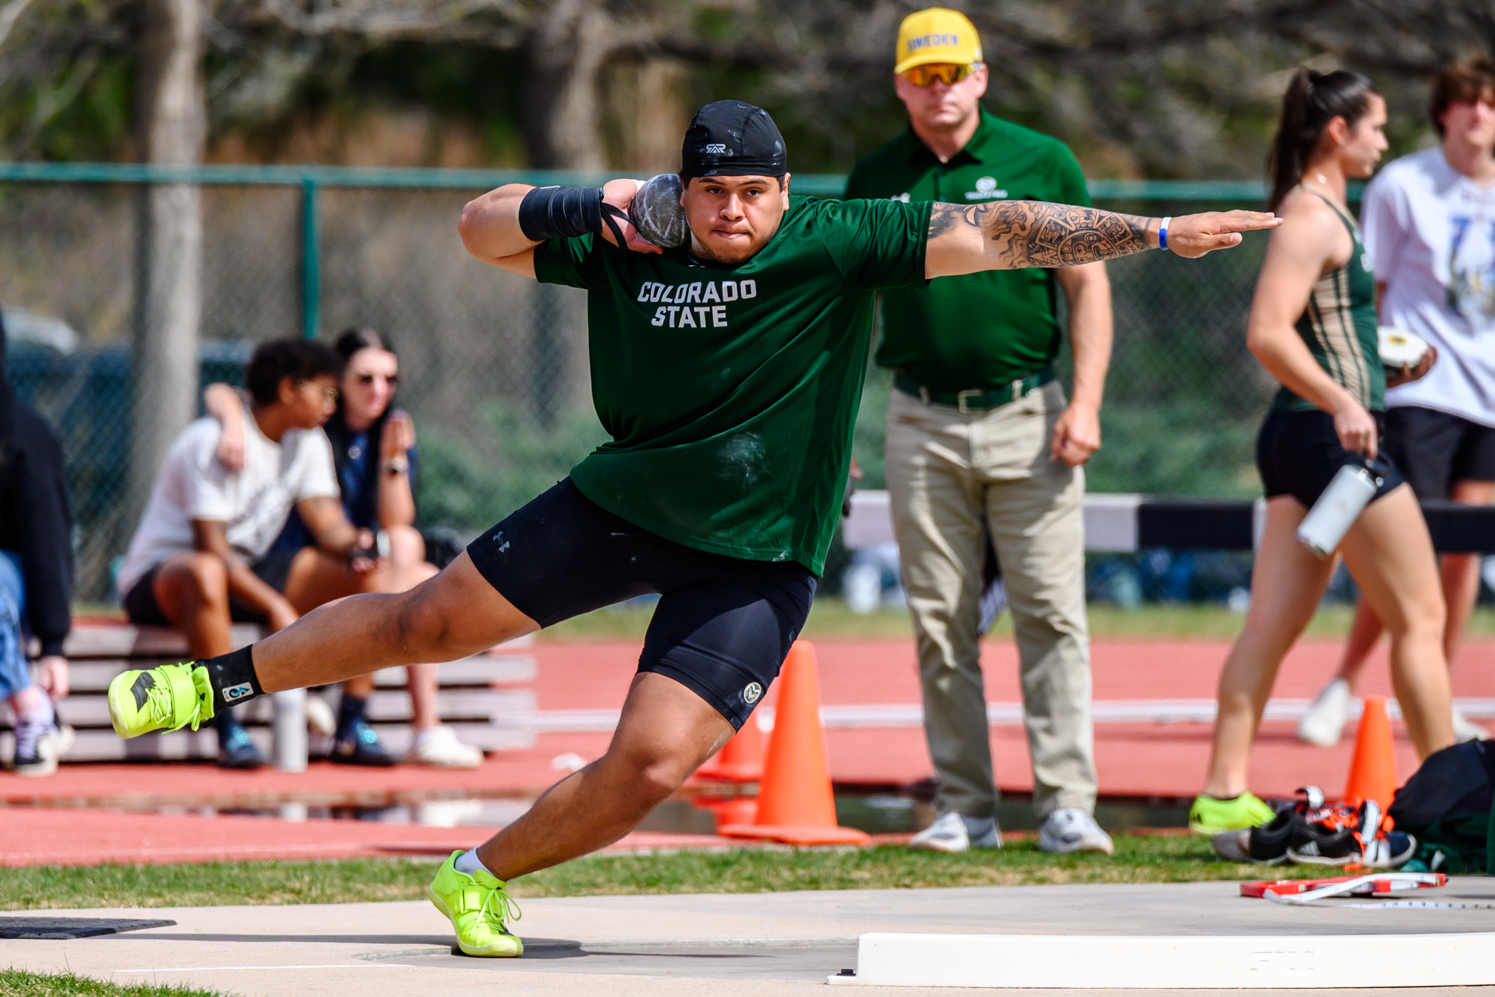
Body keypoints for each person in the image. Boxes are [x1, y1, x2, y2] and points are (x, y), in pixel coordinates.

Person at [105, 99, 1274, 956]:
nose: (731, 211)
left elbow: (1003, 230)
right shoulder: (633, 233)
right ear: (683, 187)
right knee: (428, 619)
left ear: (781, 191)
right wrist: (597, 202)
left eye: (752, 192)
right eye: (711, 190)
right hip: (622, 502)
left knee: (654, 763)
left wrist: (1153, 234)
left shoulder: (836, 236)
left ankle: (477, 873)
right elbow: (477, 226)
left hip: (756, 553)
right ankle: (214, 686)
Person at [846, 8, 1114, 855]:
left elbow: (1088, 288)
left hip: (1029, 414)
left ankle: (1068, 803)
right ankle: (966, 808)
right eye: (922, 76)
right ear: (898, 84)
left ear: (981, 77)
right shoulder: (875, 174)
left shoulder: (1042, 161)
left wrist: (1086, 400)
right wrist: (830, 433)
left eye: (952, 73)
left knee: (1050, 611)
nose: (939, 90)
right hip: (918, 417)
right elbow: (844, 310)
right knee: (939, 621)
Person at [1189, 70, 1457, 837]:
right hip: (1327, 435)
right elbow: (1266, 331)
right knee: (1420, 612)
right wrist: (1345, 399)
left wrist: (1381, 368)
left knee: (1272, 622)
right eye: (1374, 125)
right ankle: (1453, 790)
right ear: (1337, 132)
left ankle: (1220, 792)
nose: (1382, 139)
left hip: (1303, 434)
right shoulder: (1311, 215)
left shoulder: (1322, 210)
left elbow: (1316, 334)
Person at [1300, 58, 1495, 748]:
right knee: (1406, 552)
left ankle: (1433, 692)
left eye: (1490, 104)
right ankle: (1344, 682)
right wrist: (1370, 385)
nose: (1480, 116)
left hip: (1487, 396)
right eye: (1467, 103)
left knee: (1463, 551)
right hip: (1422, 392)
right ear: (1444, 111)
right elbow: (1366, 290)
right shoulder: (1403, 185)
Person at [205, 329, 481, 768]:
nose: (379, 390)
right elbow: (223, 392)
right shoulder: (312, 419)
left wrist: (393, 460)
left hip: (358, 564)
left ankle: (414, 725)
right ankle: (366, 718)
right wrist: (232, 421)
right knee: (411, 574)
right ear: (336, 380)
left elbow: (397, 523)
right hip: (295, 562)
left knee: (415, 567)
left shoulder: (392, 430)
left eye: (390, 380)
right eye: (365, 378)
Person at [115, 338, 397, 768]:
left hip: (246, 570)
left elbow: (327, 523)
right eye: (325, 392)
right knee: (206, 571)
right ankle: (227, 730)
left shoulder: (309, 441)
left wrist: (354, 545)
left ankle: (351, 727)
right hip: (164, 579)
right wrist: (276, 606)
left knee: (368, 576)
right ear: (288, 390)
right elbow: (212, 549)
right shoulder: (212, 441)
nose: (332, 403)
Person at [0, 312, 74, 776]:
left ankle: (32, 709)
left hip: (14, 580)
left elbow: (49, 541)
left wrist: (53, 644)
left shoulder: (25, 435)